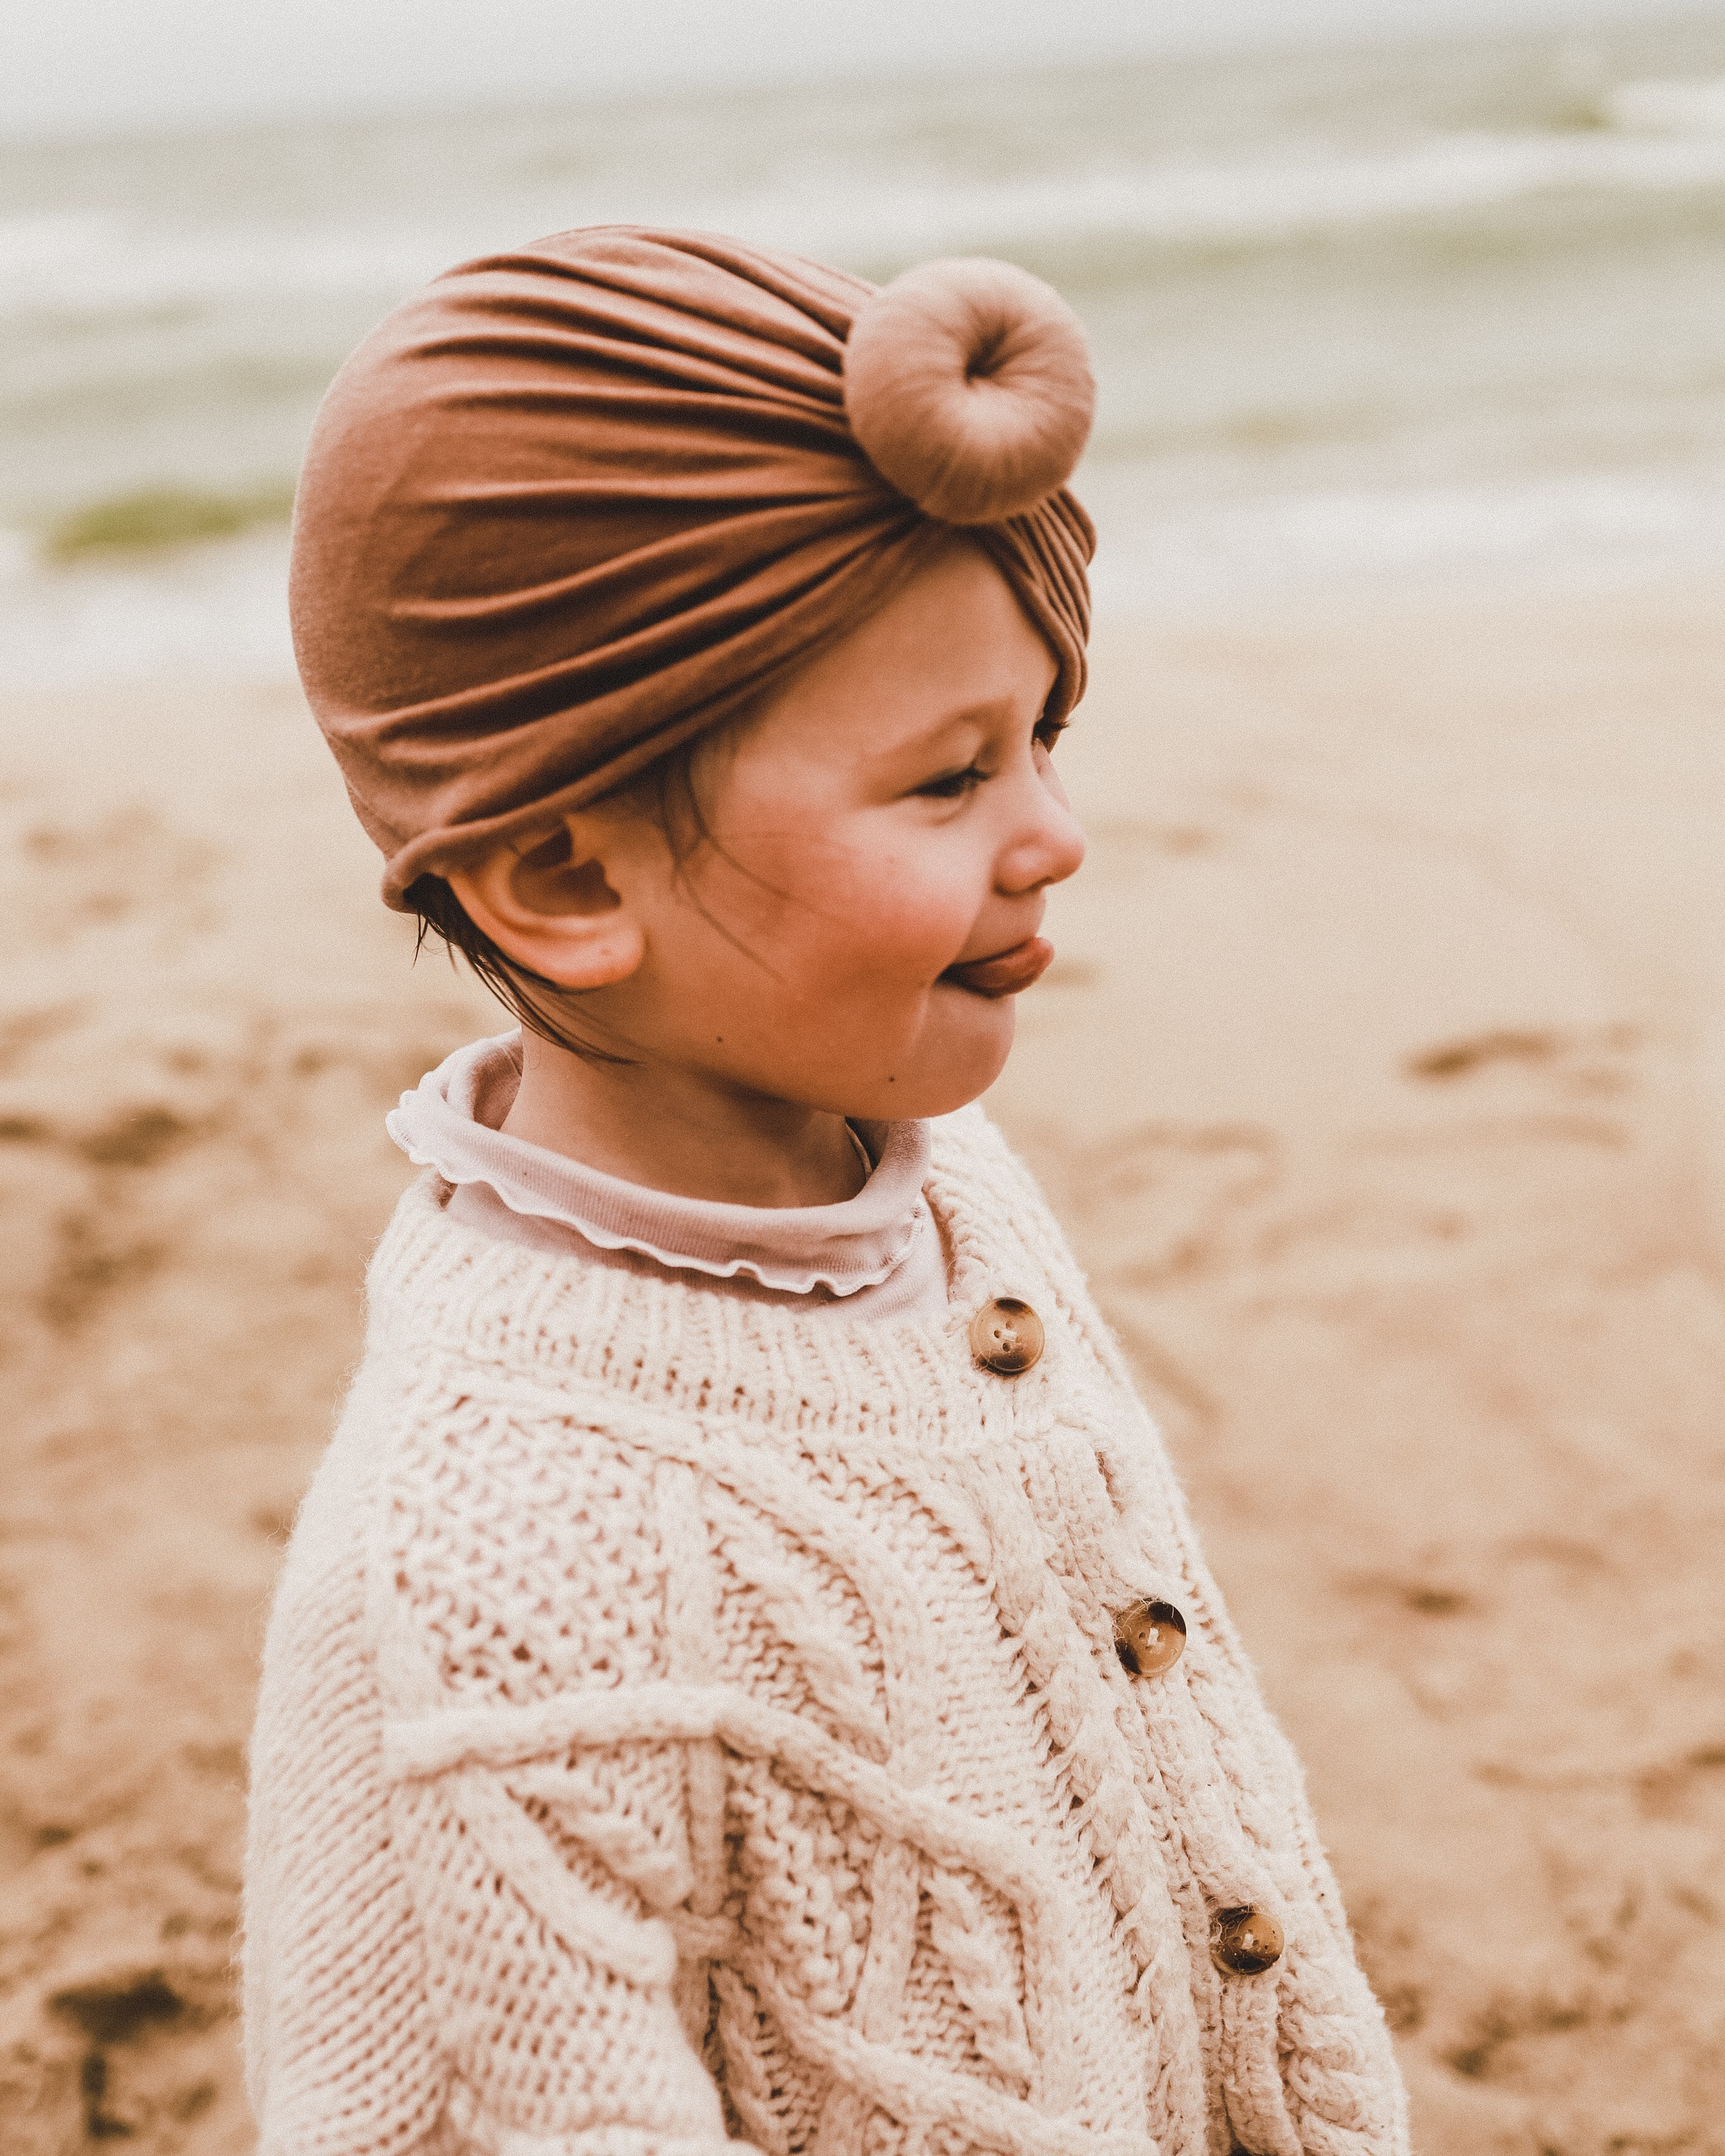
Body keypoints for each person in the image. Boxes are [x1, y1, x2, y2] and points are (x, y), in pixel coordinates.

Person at [244, 226, 1408, 2156]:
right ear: (566, 883)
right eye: (947, 781)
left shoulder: (947, 1202)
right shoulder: (481, 1595)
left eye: (1044, 735)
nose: (1055, 833)